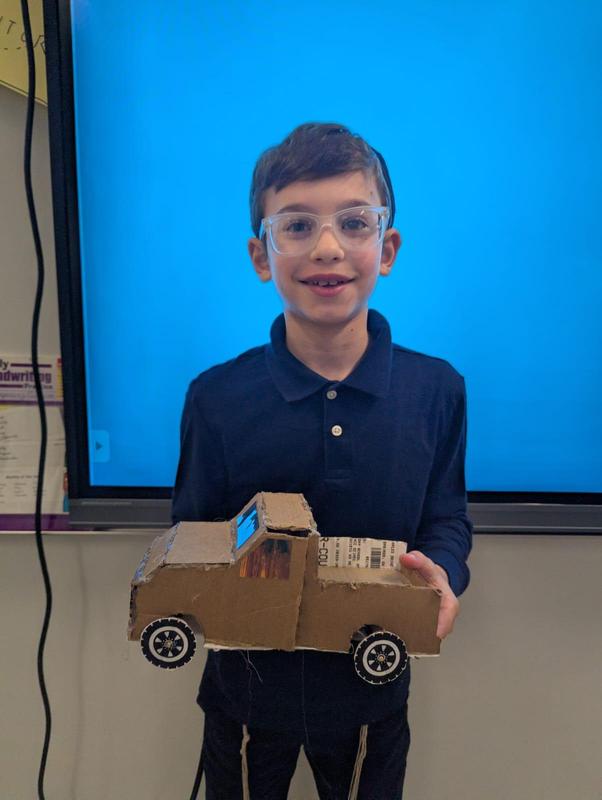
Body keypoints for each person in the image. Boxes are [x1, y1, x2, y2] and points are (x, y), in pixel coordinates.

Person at [171, 122, 472, 799]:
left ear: (386, 248)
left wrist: (445, 573)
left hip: (371, 690)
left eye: (354, 223)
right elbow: (191, 534)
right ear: (262, 256)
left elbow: (447, 518)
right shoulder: (215, 398)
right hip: (246, 697)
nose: (328, 247)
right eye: (299, 226)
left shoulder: (437, 390)